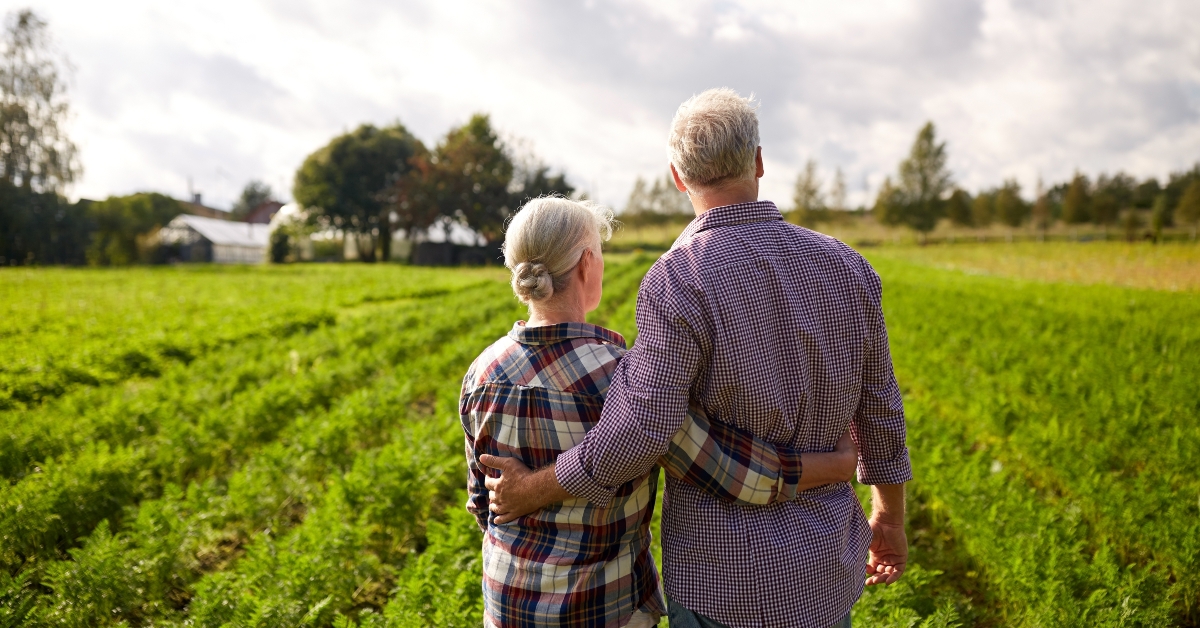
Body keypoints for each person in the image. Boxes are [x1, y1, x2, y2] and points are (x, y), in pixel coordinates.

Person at [483, 89, 913, 628]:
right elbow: (881, 414)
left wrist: (530, 489)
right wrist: (889, 519)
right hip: (826, 567)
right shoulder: (848, 267)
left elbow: (641, 431)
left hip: (720, 577)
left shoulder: (678, 278)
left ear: (677, 177)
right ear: (758, 161)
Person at [462, 196, 860, 628]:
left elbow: (483, 504)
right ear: (585, 265)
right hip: (603, 608)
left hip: (506, 606)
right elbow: (727, 468)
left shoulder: (482, 372)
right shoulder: (623, 376)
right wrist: (832, 465)